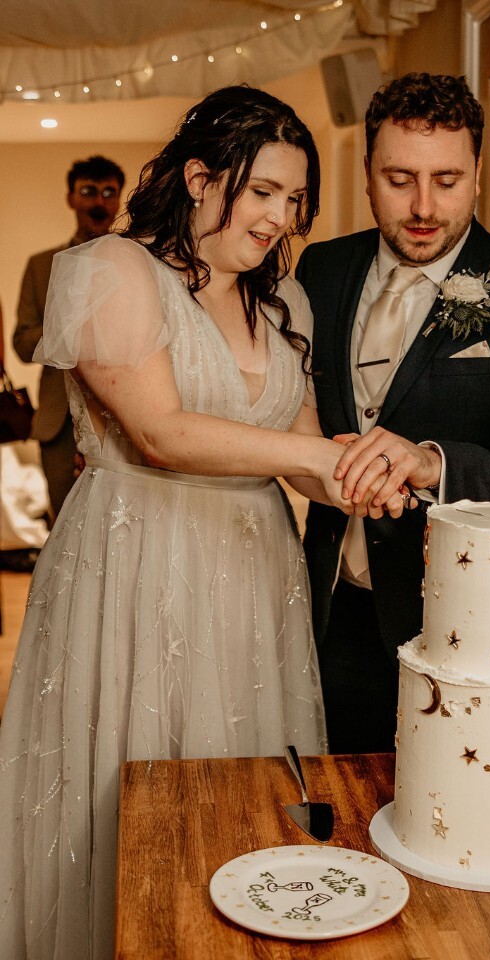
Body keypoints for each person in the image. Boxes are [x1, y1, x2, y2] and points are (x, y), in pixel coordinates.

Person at [0, 87, 405, 960]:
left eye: (294, 200)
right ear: (198, 177)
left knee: (241, 779)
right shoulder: (112, 270)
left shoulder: (283, 301)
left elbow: (301, 448)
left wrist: (374, 473)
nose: (279, 218)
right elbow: (160, 431)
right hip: (138, 552)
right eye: (262, 193)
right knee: (136, 769)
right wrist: (318, 461)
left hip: (255, 563)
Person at [296, 73, 490, 754]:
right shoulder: (321, 271)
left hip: (453, 619)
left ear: (478, 173)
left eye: (447, 180)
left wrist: (432, 462)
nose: (424, 206)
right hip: (322, 603)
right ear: (367, 173)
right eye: (400, 179)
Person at [13, 155, 125, 518]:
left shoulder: (135, 262)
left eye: (109, 192)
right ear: (71, 198)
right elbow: (22, 342)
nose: (98, 202)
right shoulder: (41, 264)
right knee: (63, 527)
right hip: (58, 423)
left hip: (124, 416)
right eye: (89, 191)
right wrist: (68, 331)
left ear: (120, 198)